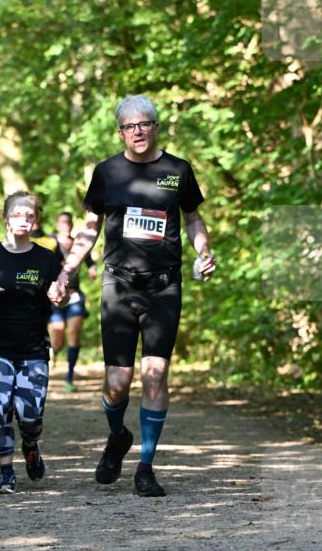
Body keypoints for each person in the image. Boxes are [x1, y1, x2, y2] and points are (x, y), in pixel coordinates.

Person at [53, 94, 215, 498]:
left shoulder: (177, 171)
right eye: (130, 126)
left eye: (145, 124)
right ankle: (116, 436)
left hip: (164, 286)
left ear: (156, 127)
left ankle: (146, 466)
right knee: (117, 384)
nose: (138, 132)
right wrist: (66, 271)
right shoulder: (107, 172)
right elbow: (89, 228)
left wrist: (204, 252)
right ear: (120, 131)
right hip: (118, 286)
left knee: (156, 374)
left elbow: (193, 219)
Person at [0, 192, 62, 494]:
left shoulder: (47, 259)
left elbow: (62, 293)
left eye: (29, 215)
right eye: (18, 214)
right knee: (0, 406)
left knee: (31, 415)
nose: (24, 220)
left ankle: (30, 444)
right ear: (6, 218)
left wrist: (60, 292)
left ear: (36, 220)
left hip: (34, 350)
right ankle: (6, 472)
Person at [49, 211, 97, 390]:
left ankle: (69, 377)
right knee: (57, 339)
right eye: (62, 222)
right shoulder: (50, 241)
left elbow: (88, 259)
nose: (65, 225)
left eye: (68, 222)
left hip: (75, 295)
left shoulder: (78, 242)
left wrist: (92, 269)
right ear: (56, 224)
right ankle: (52, 352)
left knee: (75, 332)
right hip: (55, 297)